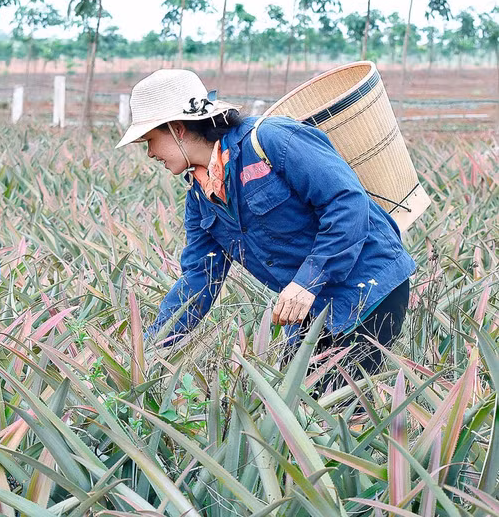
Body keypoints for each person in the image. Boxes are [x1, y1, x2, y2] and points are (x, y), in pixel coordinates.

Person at [117, 69, 415, 380]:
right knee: (296, 404)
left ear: (177, 129)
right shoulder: (200, 197)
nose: (150, 153)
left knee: (339, 406)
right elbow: (199, 278)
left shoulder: (273, 139)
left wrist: (307, 283)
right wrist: (151, 347)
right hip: (311, 307)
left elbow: (347, 202)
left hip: (369, 287)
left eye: (151, 140)